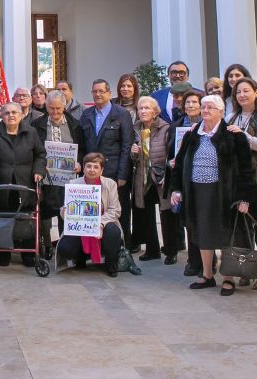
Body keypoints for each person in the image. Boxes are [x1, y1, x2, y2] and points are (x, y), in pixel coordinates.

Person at [170, 95, 255, 295]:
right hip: (197, 191)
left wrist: (245, 197)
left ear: (221, 111)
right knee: (201, 232)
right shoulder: (192, 135)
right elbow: (179, 164)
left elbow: (246, 170)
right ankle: (207, 275)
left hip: (224, 193)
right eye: (203, 107)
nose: (205, 110)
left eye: (210, 107)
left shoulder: (234, 136)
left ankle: (228, 278)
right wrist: (177, 189)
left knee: (227, 234)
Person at [0, 100, 47, 267]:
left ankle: (28, 254)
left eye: (14, 112)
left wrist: (38, 171)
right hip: (0, 181)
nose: (11, 116)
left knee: (26, 216)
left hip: (25, 181)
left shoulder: (30, 132)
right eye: (7, 113)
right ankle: (4, 252)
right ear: (1, 115)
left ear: (20, 115)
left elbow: (40, 154)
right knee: (3, 215)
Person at [227, 77, 257, 288]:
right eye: (238, 92)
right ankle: (246, 267)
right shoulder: (231, 117)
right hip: (239, 179)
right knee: (243, 225)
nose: (242, 95)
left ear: (256, 92)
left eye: (246, 91)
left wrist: (243, 136)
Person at [79, 79, 135, 250]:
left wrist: (122, 175)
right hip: (91, 174)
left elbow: (127, 145)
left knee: (119, 212)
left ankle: (122, 247)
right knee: (93, 211)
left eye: (101, 91)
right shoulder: (87, 114)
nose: (97, 94)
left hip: (114, 172)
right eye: (94, 91)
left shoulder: (121, 114)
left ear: (109, 93)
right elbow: (82, 144)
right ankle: (96, 247)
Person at [56, 153, 125, 277]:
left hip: (104, 225)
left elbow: (115, 210)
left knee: (113, 232)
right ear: (83, 167)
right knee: (64, 248)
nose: (92, 170)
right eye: (88, 166)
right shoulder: (73, 184)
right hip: (80, 226)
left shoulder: (110, 184)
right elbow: (65, 213)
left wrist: (100, 224)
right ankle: (80, 257)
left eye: (96, 167)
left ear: (102, 170)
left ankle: (111, 262)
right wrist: (64, 211)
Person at [130, 96, 179, 263]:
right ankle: (152, 250)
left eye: (147, 108)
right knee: (146, 213)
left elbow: (170, 153)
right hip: (143, 176)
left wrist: (168, 175)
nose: (143, 111)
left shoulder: (165, 128)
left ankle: (171, 251)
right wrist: (133, 152)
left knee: (166, 214)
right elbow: (134, 157)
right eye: (140, 108)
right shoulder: (135, 128)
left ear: (155, 111)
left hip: (161, 175)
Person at [31, 90, 84, 244]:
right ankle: (46, 243)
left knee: (66, 211)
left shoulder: (75, 125)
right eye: (51, 108)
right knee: (44, 211)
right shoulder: (36, 125)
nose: (55, 112)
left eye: (58, 108)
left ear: (64, 107)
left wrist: (80, 162)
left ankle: (64, 245)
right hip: (45, 176)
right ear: (46, 107)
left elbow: (82, 148)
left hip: (69, 178)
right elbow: (33, 149)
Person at [170, 88, 204, 277]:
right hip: (184, 178)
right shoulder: (177, 125)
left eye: (194, 103)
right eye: (188, 103)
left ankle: (208, 263)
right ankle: (193, 261)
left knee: (203, 222)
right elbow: (172, 151)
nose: (191, 106)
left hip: (203, 177)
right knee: (189, 221)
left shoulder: (208, 126)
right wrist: (173, 160)